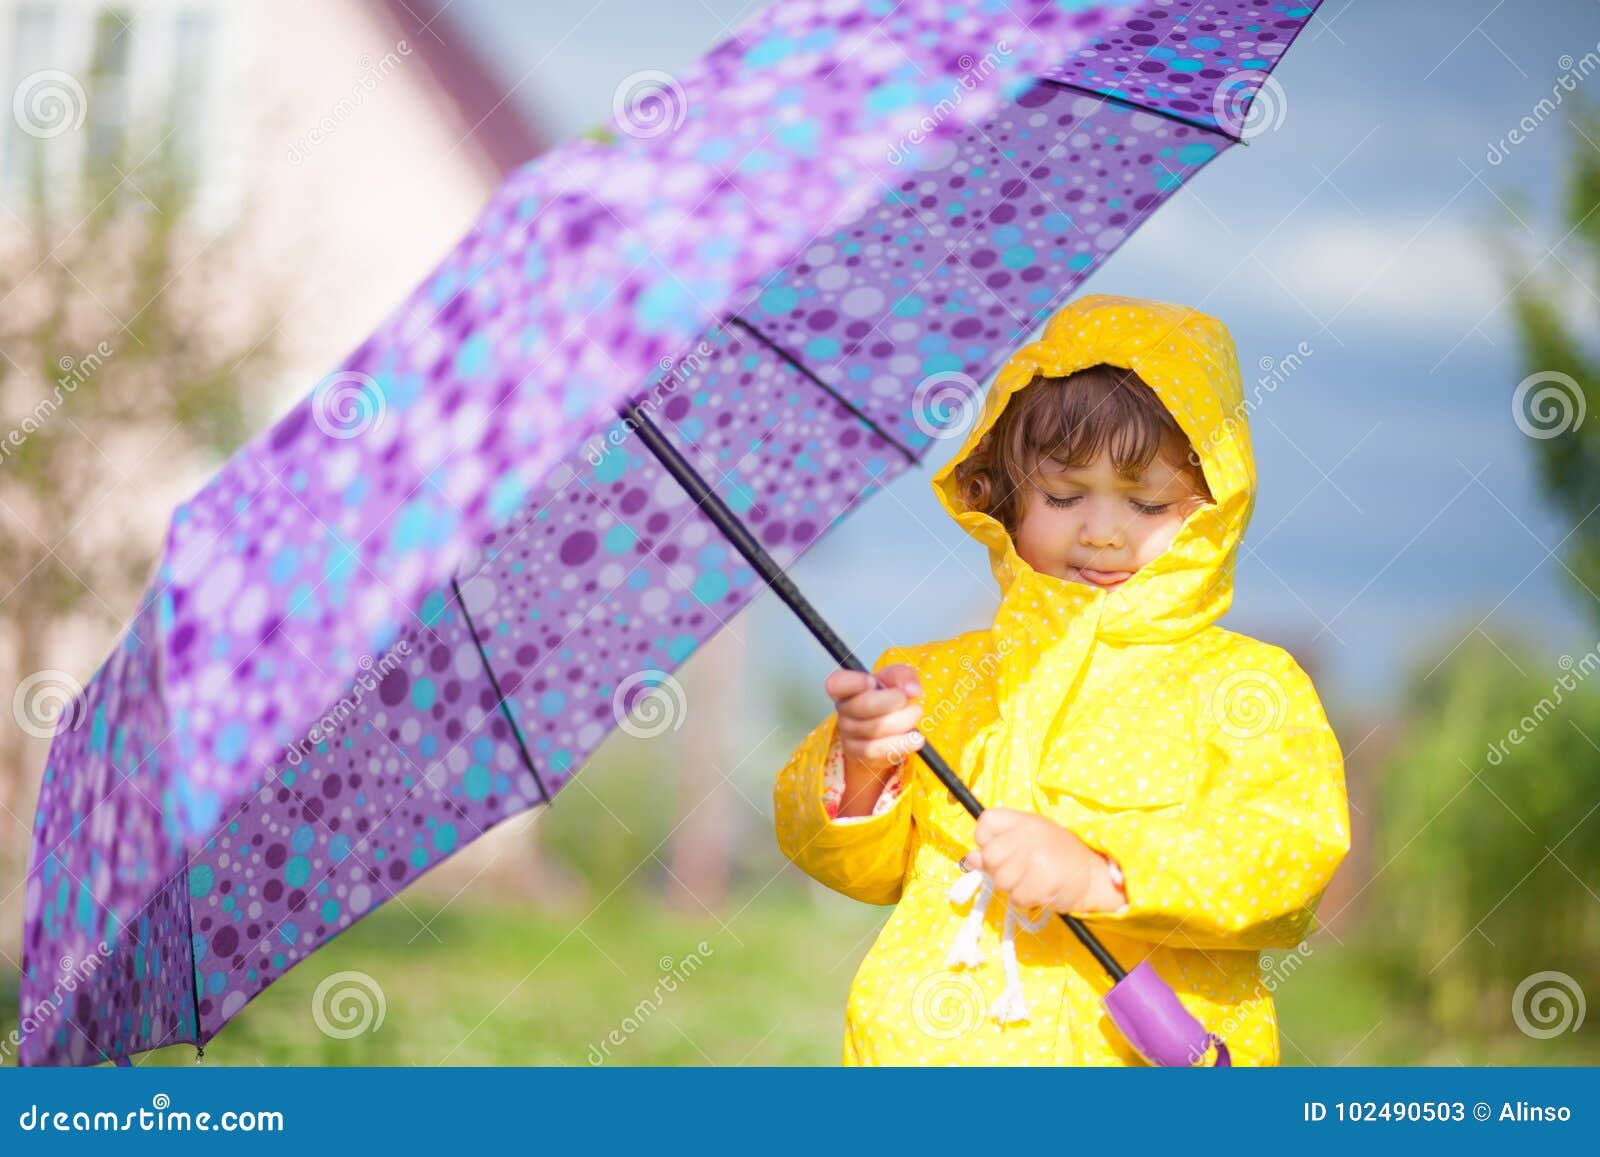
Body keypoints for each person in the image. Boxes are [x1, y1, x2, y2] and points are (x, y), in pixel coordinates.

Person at [772, 293, 1351, 1065]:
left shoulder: (1246, 687)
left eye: (1148, 501)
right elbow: (848, 863)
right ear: (1007, 495)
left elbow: (1283, 863)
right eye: (1064, 495)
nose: (1103, 530)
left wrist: (1102, 875)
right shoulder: (936, 678)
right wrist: (862, 769)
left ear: (1215, 508)